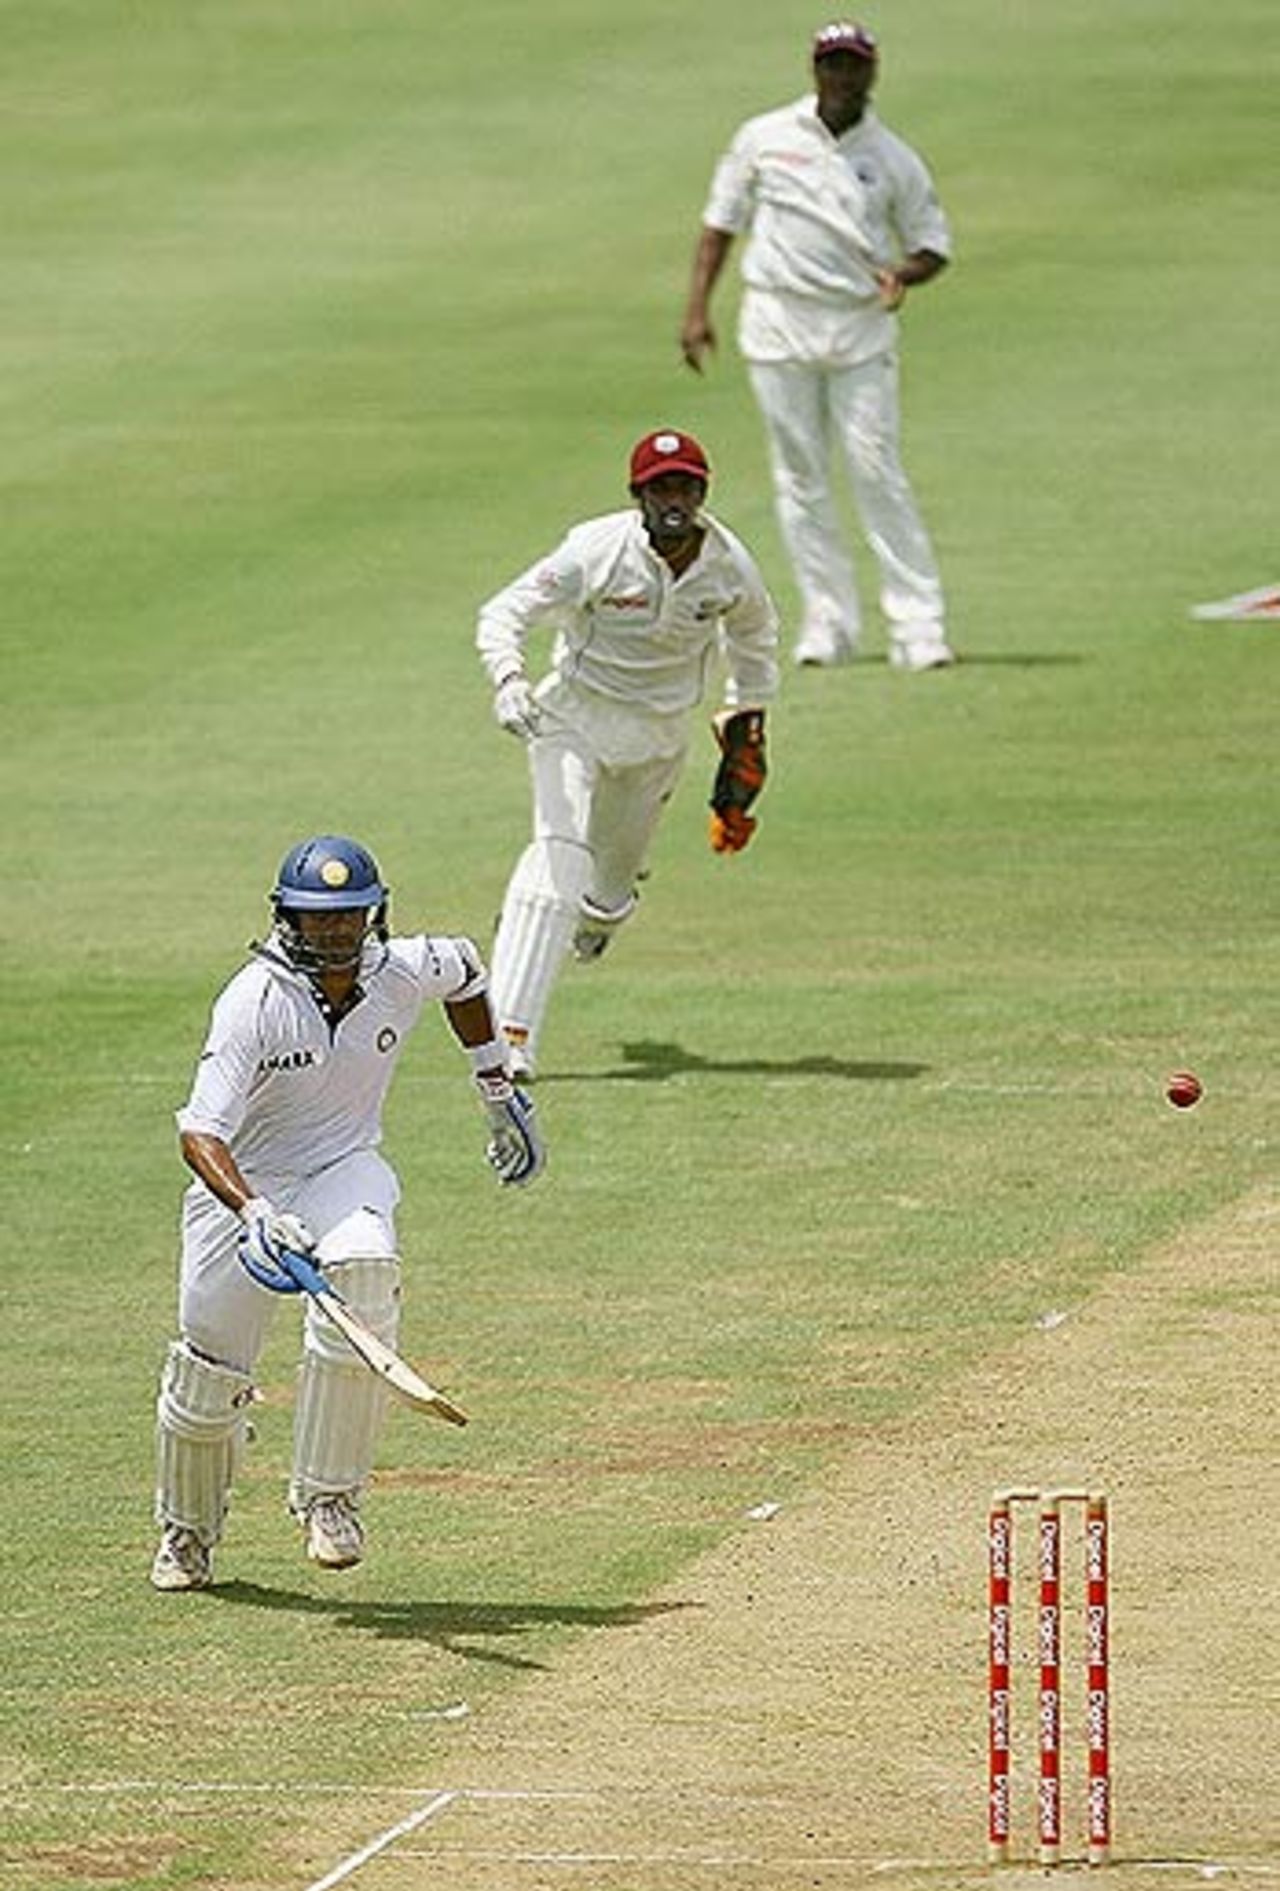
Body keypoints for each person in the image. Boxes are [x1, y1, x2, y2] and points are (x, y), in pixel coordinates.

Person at [151, 834, 543, 1591]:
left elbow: (465, 968)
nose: (332, 933)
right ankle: (188, 1533)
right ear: (285, 917)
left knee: (364, 1269)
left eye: (347, 917)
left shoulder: (397, 968)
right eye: (314, 918)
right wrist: (255, 1210)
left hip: (342, 1166)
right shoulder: (252, 1001)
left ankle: (330, 1499)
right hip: (242, 1185)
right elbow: (201, 1131)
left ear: (373, 914)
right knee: (208, 1379)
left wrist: (496, 1087)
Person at [477, 428, 780, 1080]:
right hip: (573, 720)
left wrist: (747, 728)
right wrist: (508, 680)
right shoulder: (595, 549)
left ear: (702, 492)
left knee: (604, 897)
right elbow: (504, 611)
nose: (674, 498)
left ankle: (589, 916)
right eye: (660, 486)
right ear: (637, 494)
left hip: (658, 738)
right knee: (556, 860)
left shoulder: (730, 567)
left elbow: (756, 643)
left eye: (685, 486)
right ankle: (509, 1040)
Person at [680, 20, 955, 673]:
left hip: (858, 328)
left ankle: (919, 625)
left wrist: (901, 275)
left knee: (874, 468)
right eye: (831, 64)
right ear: (813, 70)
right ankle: (827, 621)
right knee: (800, 476)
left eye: (852, 65)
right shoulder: (765, 138)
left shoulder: (892, 158)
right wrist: (696, 310)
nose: (841, 76)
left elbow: (933, 245)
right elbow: (720, 225)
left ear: (871, 73)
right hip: (777, 323)